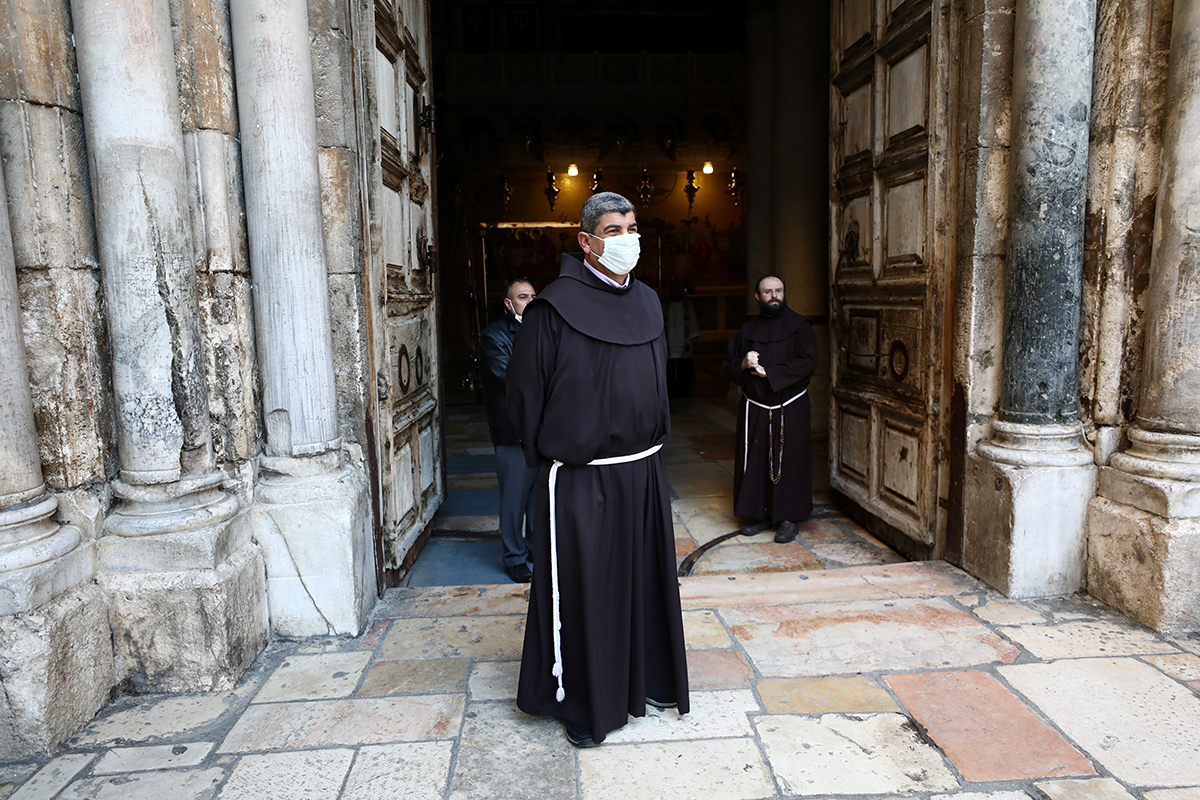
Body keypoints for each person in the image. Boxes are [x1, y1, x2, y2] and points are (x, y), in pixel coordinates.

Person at [506, 192, 689, 748]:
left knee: (641, 578)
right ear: (586, 241)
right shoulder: (553, 309)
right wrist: (554, 465)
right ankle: (585, 701)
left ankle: (646, 679)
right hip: (582, 479)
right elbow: (523, 398)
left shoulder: (651, 302)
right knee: (588, 588)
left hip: (643, 470)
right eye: (614, 229)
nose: (627, 238)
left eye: (633, 227)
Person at [723, 275, 819, 543]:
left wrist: (772, 373)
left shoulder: (800, 327)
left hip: (790, 405)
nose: (774, 295)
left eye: (778, 291)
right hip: (755, 408)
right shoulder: (747, 330)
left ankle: (788, 517)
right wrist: (743, 363)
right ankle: (758, 513)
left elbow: (809, 362)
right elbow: (728, 363)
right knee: (756, 460)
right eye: (768, 292)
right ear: (758, 297)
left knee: (790, 460)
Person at [478, 279, 538, 583]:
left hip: (539, 428)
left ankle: (534, 551)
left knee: (537, 499)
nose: (529, 301)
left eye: (532, 296)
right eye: (522, 297)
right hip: (512, 430)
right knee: (514, 500)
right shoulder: (494, 336)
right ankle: (514, 558)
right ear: (508, 303)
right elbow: (506, 375)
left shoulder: (541, 329)